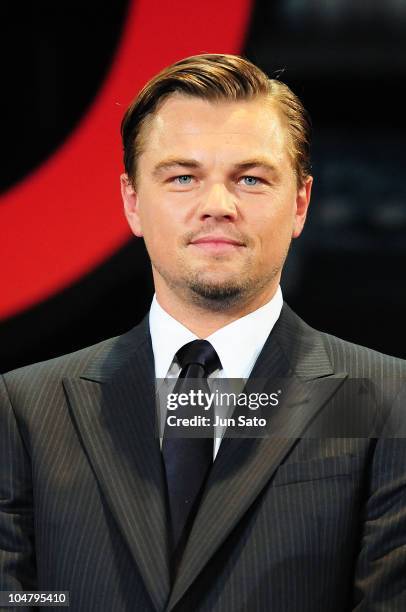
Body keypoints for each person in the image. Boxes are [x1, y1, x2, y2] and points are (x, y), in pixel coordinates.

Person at [1, 54, 405, 612]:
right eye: (184, 177)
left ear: (301, 204)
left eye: (251, 178)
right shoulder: (26, 407)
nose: (218, 206)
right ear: (133, 202)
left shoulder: (385, 401)